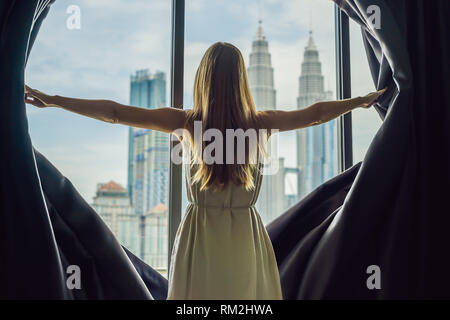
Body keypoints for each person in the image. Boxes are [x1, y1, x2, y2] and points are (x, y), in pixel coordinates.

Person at [24, 42, 385, 300]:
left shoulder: (187, 123)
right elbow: (316, 113)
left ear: (204, 79)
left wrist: (55, 100)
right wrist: (360, 101)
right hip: (245, 235)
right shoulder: (258, 124)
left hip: (200, 237)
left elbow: (116, 112)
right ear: (241, 80)